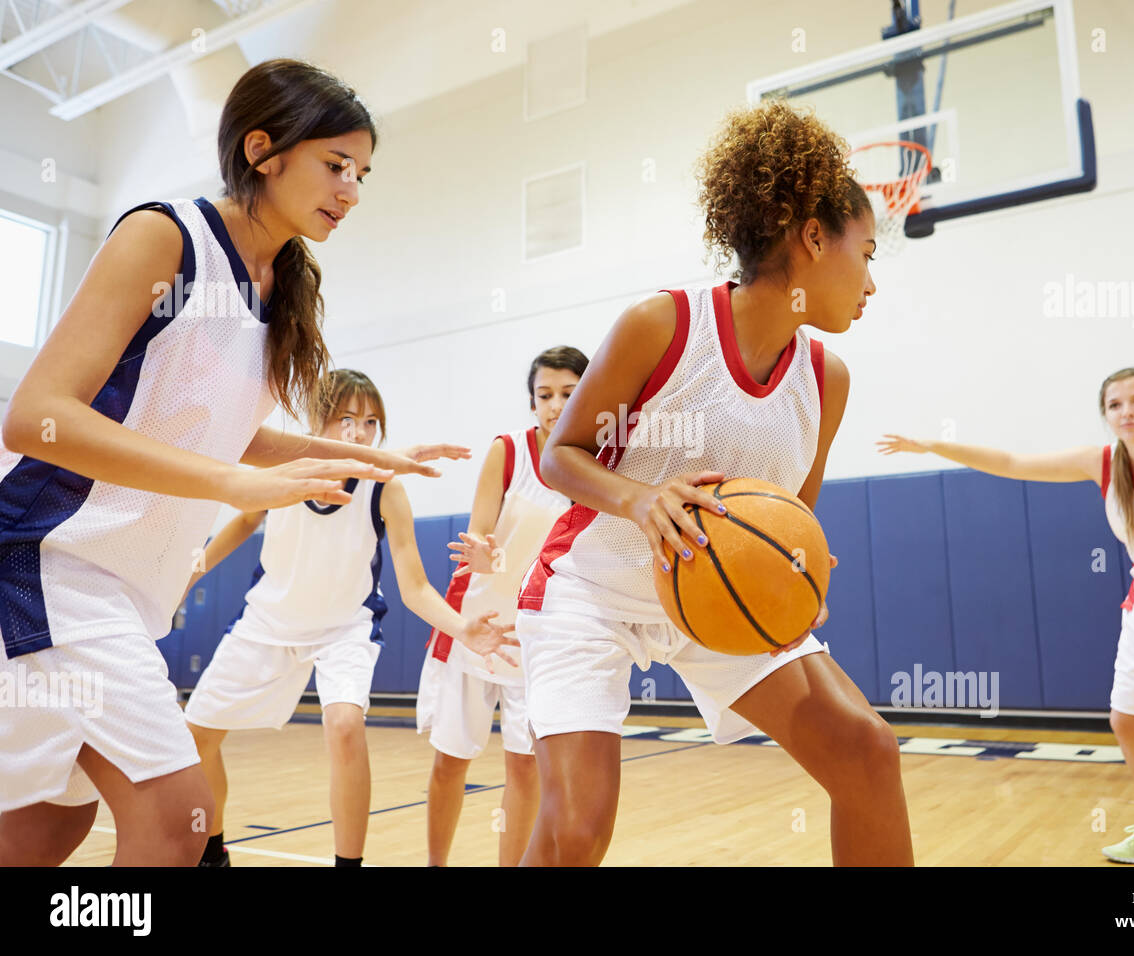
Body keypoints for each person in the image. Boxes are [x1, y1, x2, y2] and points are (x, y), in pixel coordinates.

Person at [0, 60, 453, 866]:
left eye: (362, 173)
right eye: (336, 165)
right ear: (263, 149)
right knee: (180, 822)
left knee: (44, 829)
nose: (351, 190)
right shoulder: (164, 236)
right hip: (53, 565)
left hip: (127, 592)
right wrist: (231, 486)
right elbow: (35, 418)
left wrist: (361, 455)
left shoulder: (280, 288)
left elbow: (231, 435)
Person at [513, 100, 913, 866]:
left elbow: (791, 515)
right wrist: (642, 497)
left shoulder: (827, 379)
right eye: (868, 253)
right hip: (594, 590)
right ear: (814, 238)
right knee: (575, 831)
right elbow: (560, 456)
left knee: (866, 752)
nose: (871, 283)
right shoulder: (661, 325)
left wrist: (799, 571)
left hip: (714, 594)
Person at [878, 366, 1134, 866]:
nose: (1127, 411)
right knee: (1129, 723)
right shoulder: (1102, 464)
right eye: (1115, 405)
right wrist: (935, 447)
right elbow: (1011, 460)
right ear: (1106, 415)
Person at [185, 370, 516, 867]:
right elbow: (243, 519)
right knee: (196, 738)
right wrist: (191, 573)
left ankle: (348, 865)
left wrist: (463, 627)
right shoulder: (286, 468)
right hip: (269, 621)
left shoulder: (384, 491)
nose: (359, 433)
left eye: (369, 422)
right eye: (346, 419)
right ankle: (212, 851)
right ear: (318, 421)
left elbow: (416, 587)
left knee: (344, 724)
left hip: (345, 628)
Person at [418, 346, 588, 866]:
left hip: (536, 638)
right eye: (544, 395)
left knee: (525, 767)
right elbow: (479, 538)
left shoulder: (596, 465)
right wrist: (484, 554)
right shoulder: (508, 451)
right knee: (451, 760)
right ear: (531, 401)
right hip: (475, 623)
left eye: (568, 393)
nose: (555, 405)